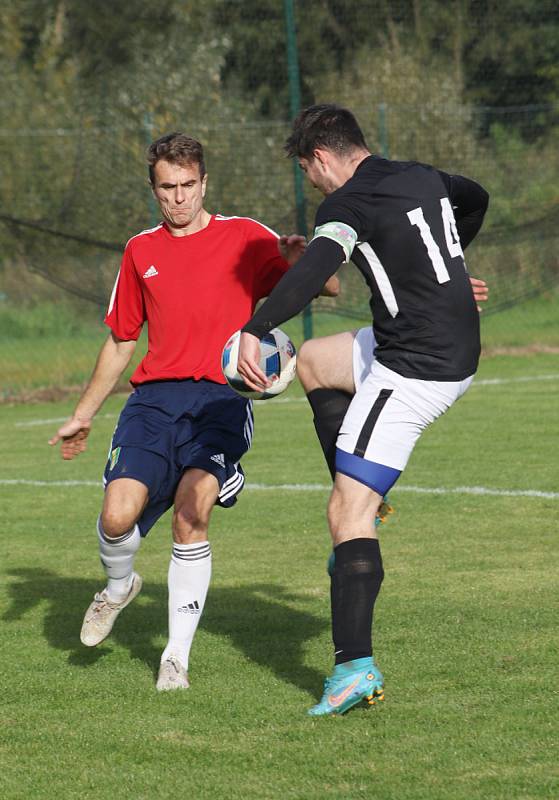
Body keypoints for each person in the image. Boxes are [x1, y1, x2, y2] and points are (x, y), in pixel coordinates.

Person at [48, 132, 337, 692]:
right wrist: (82, 413)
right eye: (166, 189)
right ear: (154, 189)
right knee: (115, 517)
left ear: (205, 182)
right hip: (154, 401)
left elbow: (325, 285)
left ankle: (174, 658)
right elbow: (121, 340)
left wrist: (302, 262)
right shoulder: (140, 251)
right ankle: (117, 588)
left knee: (191, 511)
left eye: (187, 186)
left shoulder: (248, 238)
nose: (178, 199)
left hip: (221, 400)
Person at [237, 104, 489, 716]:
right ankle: (368, 497)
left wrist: (256, 327)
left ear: (321, 158)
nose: (314, 184)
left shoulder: (345, 205)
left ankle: (355, 669)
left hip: (417, 366)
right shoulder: (419, 175)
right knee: (318, 362)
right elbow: (475, 198)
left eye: (308, 171)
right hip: (441, 339)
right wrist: (449, 275)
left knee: (345, 511)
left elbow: (318, 268)